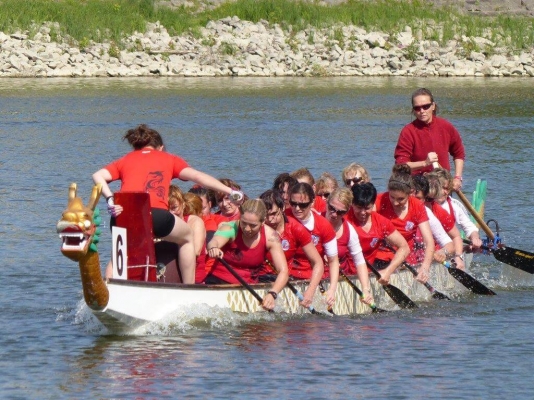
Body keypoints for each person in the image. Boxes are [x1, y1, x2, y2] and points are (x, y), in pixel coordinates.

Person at [92, 124, 243, 284]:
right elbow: (198, 177)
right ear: (161, 147)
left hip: (121, 215)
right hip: (156, 215)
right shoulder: (169, 158)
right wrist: (230, 191)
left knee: (119, 250)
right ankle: (188, 288)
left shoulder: (124, 160)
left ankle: (109, 289)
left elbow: (97, 175)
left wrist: (110, 199)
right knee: (187, 237)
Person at [204, 199, 289, 311]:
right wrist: (214, 248)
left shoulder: (270, 236)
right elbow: (213, 242)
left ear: (263, 222)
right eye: (244, 223)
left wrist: (272, 293)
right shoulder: (230, 228)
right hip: (219, 281)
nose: (247, 229)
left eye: (253, 225)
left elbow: (283, 271)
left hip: (249, 286)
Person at [259, 189, 324, 308]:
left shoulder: (296, 229)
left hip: (282, 279)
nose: (270, 220)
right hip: (259, 277)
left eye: (274, 214)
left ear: (282, 208)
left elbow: (318, 262)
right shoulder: (257, 226)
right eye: (266, 216)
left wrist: (310, 291)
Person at [394, 87, 465, 191]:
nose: (422, 111)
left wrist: (457, 178)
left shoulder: (446, 126)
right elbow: (401, 165)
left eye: (425, 106)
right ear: (413, 110)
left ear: (433, 106)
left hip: (443, 188)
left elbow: (459, 153)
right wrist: (425, 163)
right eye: (417, 108)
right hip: (418, 189)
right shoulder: (408, 131)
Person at [374, 164, 434, 283]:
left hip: (403, 258)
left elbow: (429, 242)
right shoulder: (379, 200)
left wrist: (425, 268)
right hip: (378, 256)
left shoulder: (417, 206)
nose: (395, 203)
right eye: (392, 197)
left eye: (400, 199)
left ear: (410, 193)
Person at [346, 182, 410, 285]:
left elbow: (404, 247)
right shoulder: (343, 221)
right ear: (352, 204)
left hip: (367, 275)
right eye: (358, 207)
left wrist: (388, 271)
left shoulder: (381, 222)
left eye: (367, 208)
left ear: (373, 204)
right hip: (344, 276)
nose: (363, 212)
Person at [287, 182, 339, 307]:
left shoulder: (323, 225)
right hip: (286, 275)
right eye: (293, 203)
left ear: (312, 202)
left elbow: (333, 261)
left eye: (303, 205)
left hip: (312, 277)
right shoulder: (283, 217)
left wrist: (332, 290)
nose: (297, 208)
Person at [324, 188, 374, 305]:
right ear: (327, 202)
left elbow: (360, 262)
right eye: (331, 208)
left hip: (337, 279)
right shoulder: (315, 221)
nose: (334, 214)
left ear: (346, 212)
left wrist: (365, 289)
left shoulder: (350, 231)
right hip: (313, 277)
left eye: (340, 212)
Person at [412, 175, 463, 269]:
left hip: (431, 257)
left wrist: (458, 257)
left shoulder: (438, 212)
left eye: (430, 199)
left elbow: (455, 237)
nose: (428, 203)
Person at [426, 168, 482, 249]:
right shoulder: (420, 203)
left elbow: (470, 228)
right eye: (443, 188)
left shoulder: (454, 205)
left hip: (446, 250)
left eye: (448, 189)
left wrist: (475, 238)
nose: (446, 192)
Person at [168, 186, 208, 283]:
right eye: (166, 209)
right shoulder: (161, 225)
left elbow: (196, 251)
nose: (170, 213)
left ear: (183, 204)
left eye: (174, 208)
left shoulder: (194, 221)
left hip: (195, 280)